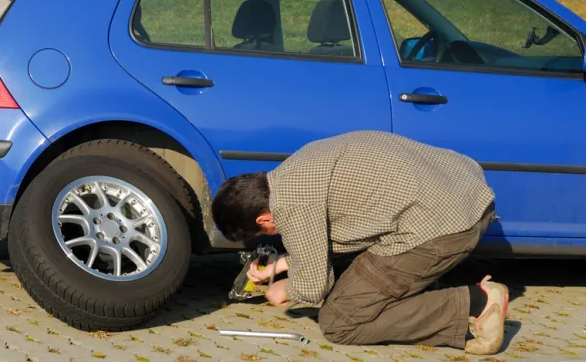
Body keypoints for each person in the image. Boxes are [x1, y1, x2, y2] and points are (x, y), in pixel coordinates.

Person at [211, 130, 508, 356]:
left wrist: (284, 288)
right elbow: (325, 239)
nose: (273, 234)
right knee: (361, 287)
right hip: (469, 195)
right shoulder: (295, 170)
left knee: (339, 321)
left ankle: (476, 303)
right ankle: (419, 293)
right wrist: (281, 264)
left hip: (444, 228)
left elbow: (314, 287)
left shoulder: (289, 204)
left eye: (264, 234)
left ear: (262, 219)